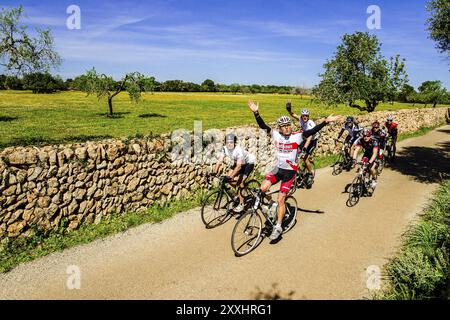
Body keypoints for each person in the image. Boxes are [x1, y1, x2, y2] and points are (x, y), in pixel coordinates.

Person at [248, 99, 341, 240]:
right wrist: (256, 113)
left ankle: (278, 226)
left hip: (289, 173)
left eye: (287, 125)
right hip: (277, 169)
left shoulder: (297, 137)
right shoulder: (276, 135)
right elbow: (263, 126)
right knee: (262, 189)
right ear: (279, 128)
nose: (286, 128)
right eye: (283, 126)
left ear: (291, 126)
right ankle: (272, 206)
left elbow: (312, 130)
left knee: (281, 199)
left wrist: (325, 122)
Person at [213, 133, 256, 213]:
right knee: (228, 180)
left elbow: (239, 167)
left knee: (240, 182)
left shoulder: (238, 150)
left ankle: (242, 204)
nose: (229, 144)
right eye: (227, 142)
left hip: (248, 163)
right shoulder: (224, 148)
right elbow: (220, 160)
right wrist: (215, 171)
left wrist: (231, 176)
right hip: (238, 163)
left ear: (234, 143)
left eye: (231, 142)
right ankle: (241, 193)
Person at [286, 101, 317, 187]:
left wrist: (304, 149)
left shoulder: (311, 124)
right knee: (296, 153)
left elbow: (310, 138)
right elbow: (293, 115)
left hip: (312, 141)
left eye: (306, 116)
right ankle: (298, 172)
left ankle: (310, 173)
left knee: (305, 157)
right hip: (305, 139)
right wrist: (289, 110)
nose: (305, 117)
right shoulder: (301, 119)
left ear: (308, 116)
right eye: (303, 116)